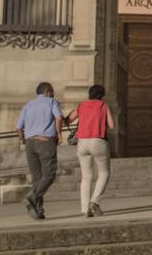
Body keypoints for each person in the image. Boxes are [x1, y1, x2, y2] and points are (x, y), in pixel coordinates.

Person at [63, 84, 115, 218]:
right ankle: (94, 202)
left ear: (89, 94)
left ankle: (85, 209)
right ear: (101, 95)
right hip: (98, 141)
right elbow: (112, 125)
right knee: (104, 173)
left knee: (86, 176)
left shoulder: (81, 105)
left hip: (82, 142)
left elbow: (68, 120)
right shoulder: (103, 105)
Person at [15, 81, 64, 220]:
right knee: (49, 175)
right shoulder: (51, 101)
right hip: (45, 141)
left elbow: (19, 127)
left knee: (37, 178)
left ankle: (38, 210)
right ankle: (32, 197)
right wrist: (59, 134)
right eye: (52, 91)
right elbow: (59, 118)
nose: (53, 93)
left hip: (30, 143)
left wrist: (23, 140)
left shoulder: (28, 105)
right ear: (47, 91)